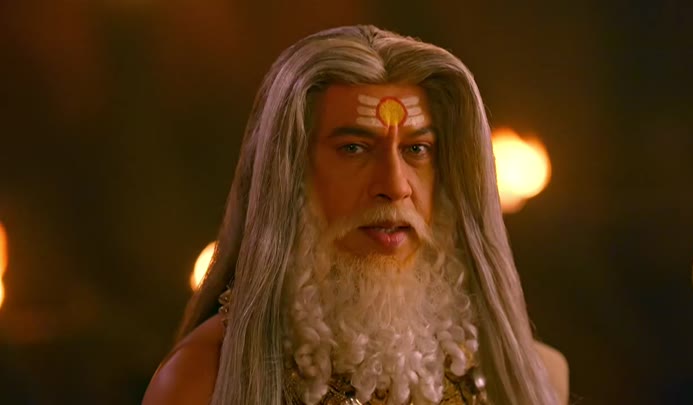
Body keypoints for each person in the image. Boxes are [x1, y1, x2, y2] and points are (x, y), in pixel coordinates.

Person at [143, 25, 569, 405]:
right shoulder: (200, 383)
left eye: (416, 149)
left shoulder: (538, 377)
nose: (394, 185)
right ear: (291, 174)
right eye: (354, 148)